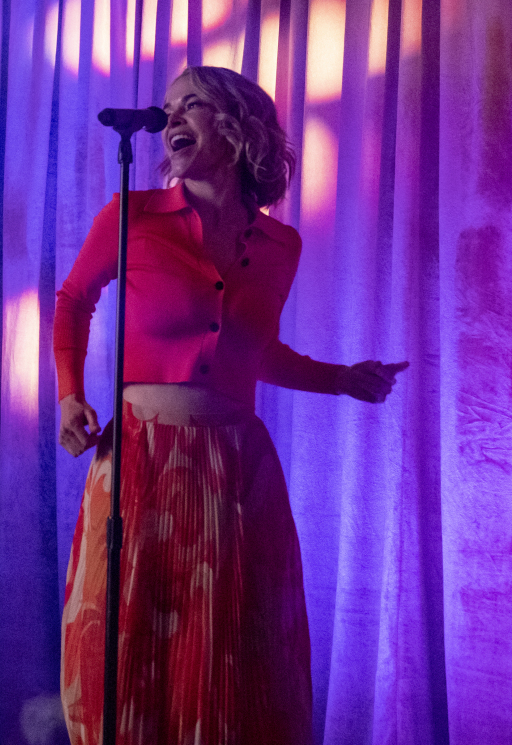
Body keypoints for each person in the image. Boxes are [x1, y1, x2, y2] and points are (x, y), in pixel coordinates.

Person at [54, 66, 407, 744]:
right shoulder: (131, 216)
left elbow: (250, 350)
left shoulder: (281, 246)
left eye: (193, 104)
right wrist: (71, 394)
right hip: (140, 455)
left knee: (231, 652)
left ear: (240, 126)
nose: (172, 116)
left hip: (234, 465)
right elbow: (73, 301)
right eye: (168, 107)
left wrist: (342, 379)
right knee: (126, 646)